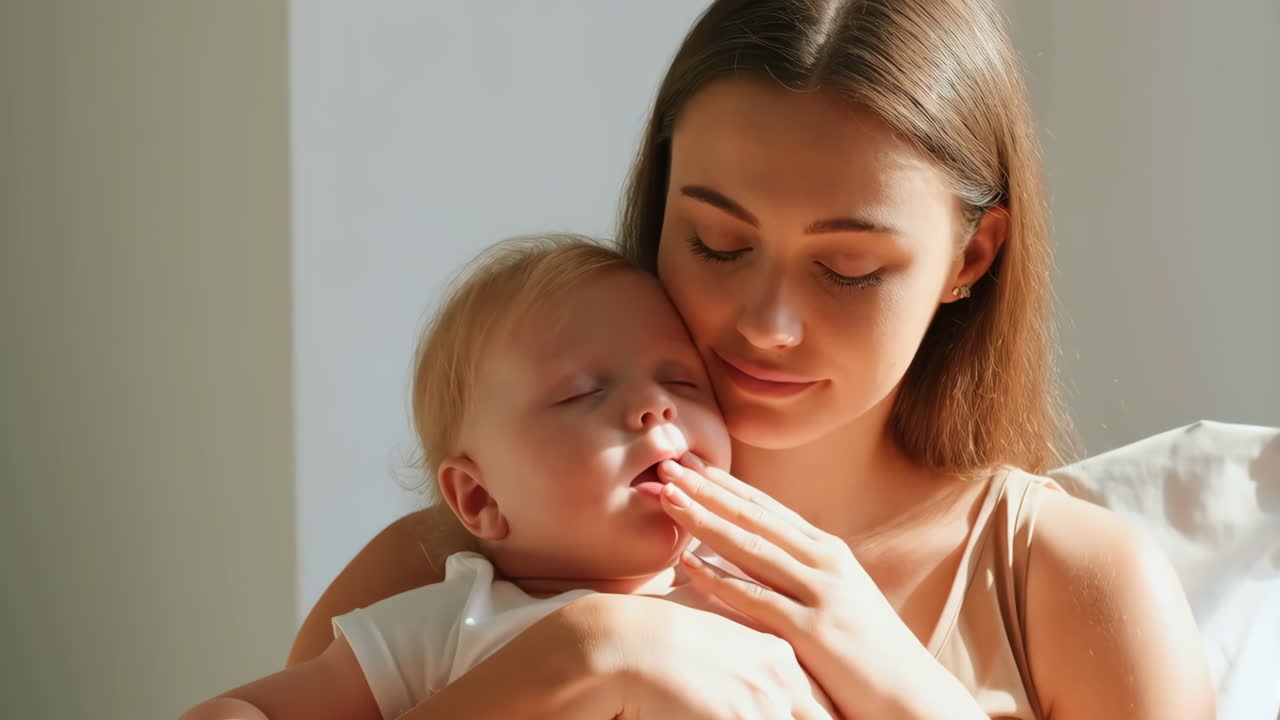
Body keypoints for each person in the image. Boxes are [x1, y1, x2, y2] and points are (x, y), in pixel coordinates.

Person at [283, 1, 1214, 718]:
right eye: (718, 244)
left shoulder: (1068, 581)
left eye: (848, 268)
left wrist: (894, 680)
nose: (767, 323)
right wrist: (580, 652)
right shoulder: (451, 560)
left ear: (970, 257)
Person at [181, 237, 838, 719]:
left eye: (681, 380)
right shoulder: (453, 622)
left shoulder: (756, 596)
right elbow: (240, 709)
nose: (654, 406)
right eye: (582, 393)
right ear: (480, 497)